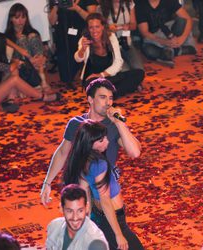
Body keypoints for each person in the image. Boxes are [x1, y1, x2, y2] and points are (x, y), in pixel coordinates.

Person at [41, 78, 141, 206]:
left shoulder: (114, 125)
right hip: (81, 187)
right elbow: (62, 152)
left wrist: (120, 124)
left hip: (104, 186)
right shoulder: (76, 123)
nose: (108, 102)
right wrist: (47, 183)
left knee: (112, 223)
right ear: (90, 99)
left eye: (110, 98)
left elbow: (135, 153)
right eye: (103, 97)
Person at [63, 120, 144, 250]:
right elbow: (105, 200)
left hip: (99, 216)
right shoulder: (99, 164)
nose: (107, 141)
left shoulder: (82, 160)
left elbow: (85, 193)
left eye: (105, 137)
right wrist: (118, 234)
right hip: (113, 219)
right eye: (101, 141)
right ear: (90, 144)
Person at [0, 31, 58, 111]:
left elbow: (9, 67)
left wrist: (16, 61)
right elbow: (9, 68)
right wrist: (16, 62)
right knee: (14, 79)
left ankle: (10, 100)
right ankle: (43, 97)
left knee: (14, 72)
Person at [74, 13, 144, 97]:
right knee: (93, 85)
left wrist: (102, 75)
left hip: (109, 75)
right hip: (94, 79)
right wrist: (82, 49)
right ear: (88, 29)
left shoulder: (111, 37)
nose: (94, 30)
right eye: (91, 27)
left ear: (103, 27)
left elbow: (118, 61)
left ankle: (107, 95)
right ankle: (112, 94)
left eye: (97, 27)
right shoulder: (84, 39)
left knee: (139, 73)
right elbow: (77, 59)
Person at [48, 0, 98, 87]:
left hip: (82, 35)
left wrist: (77, 8)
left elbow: (92, 19)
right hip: (64, 38)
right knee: (66, 77)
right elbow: (52, 21)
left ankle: (83, 71)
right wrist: (56, 6)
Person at [5, 3, 52, 93]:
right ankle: (36, 82)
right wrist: (29, 61)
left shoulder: (32, 32)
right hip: (21, 65)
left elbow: (44, 53)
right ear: (11, 19)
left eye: (23, 17)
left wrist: (40, 58)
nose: (20, 21)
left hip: (37, 65)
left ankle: (42, 80)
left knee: (33, 36)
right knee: (22, 38)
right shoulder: (8, 36)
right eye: (17, 18)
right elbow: (9, 59)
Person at [46, 184, 109, 250]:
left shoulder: (95, 244)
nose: (75, 217)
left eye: (80, 211)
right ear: (61, 209)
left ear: (87, 207)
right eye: (70, 211)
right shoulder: (53, 226)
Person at [136, 0, 196, 67]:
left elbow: (188, 19)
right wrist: (164, 42)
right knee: (148, 51)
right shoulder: (140, 4)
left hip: (171, 32)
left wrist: (182, 38)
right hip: (154, 37)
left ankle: (169, 52)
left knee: (182, 20)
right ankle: (176, 50)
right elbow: (145, 32)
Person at [97, 0, 144, 80]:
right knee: (124, 70)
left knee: (139, 70)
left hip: (126, 43)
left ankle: (134, 82)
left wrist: (126, 27)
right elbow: (97, 30)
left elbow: (134, 25)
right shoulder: (100, 8)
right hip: (111, 47)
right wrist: (108, 28)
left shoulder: (129, 4)